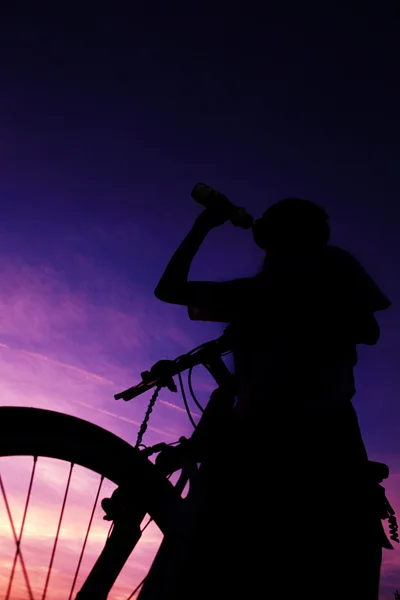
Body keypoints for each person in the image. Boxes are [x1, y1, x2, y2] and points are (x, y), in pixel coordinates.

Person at [154, 197, 391, 599]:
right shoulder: (259, 290)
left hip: (316, 430)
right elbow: (171, 291)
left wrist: (203, 228)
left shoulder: (325, 268)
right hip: (272, 428)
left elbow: (367, 327)